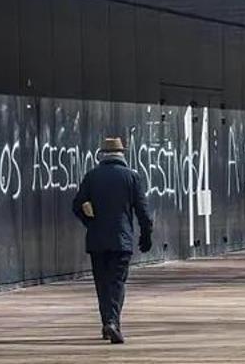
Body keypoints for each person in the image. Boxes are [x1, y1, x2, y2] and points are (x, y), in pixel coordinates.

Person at [72, 137, 153, 344]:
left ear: (103, 155)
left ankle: (107, 322)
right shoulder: (131, 177)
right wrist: (146, 235)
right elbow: (142, 211)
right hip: (122, 239)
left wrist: (90, 222)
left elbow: (77, 205)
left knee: (102, 283)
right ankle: (112, 322)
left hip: (97, 240)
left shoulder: (92, 177)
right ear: (122, 154)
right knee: (117, 282)